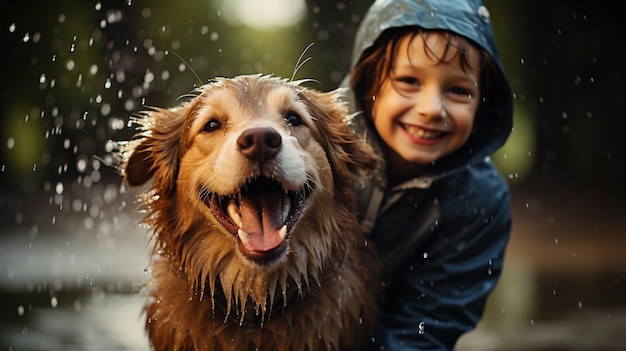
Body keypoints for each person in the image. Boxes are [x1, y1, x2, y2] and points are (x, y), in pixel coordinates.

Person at [339, 0, 514, 349]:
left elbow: (429, 324)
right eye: (408, 81)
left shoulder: (480, 201)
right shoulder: (316, 157)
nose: (431, 109)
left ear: (482, 106)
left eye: (458, 90)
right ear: (369, 87)